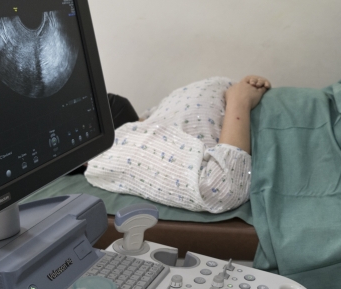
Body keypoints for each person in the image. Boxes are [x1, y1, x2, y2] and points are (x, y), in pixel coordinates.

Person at [85, 75, 270, 213]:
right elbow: (221, 189)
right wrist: (240, 101)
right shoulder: (112, 153)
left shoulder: (150, 116)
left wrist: (243, 87)